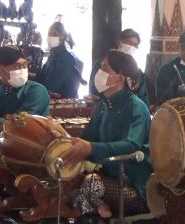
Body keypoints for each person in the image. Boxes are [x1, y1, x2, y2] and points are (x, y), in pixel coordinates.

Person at [61, 49, 152, 218]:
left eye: (104, 68)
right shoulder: (103, 105)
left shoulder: (136, 106)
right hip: (106, 176)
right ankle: (98, 211)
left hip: (132, 183)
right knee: (67, 182)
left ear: (120, 77)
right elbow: (87, 139)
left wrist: (91, 149)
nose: (98, 72)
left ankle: (96, 212)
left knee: (89, 185)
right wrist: (67, 143)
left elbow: (132, 144)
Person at [89, 28, 149, 107]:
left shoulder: (137, 72)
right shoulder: (102, 64)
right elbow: (94, 91)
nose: (132, 47)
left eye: (135, 45)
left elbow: (143, 99)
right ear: (119, 42)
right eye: (129, 43)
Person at [37, 22, 82, 98]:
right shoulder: (52, 57)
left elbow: (53, 86)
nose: (50, 37)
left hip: (62, 103)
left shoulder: (68, 60)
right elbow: (41, 78)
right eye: (49, 34)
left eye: (54, 34)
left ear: (63, 37)